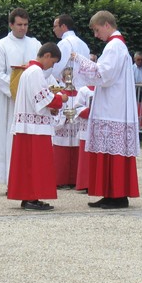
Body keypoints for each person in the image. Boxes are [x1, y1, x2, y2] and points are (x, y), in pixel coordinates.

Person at [71, 10, 140, 209]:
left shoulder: (114, 45)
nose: (95, 34)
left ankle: (118, 195)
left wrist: (81, 61)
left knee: (112, 151)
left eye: (96, 29)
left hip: (114, 107)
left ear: (107, 25)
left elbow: (105, 74)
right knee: (108, 150)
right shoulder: (117, 45)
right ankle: (110, 193)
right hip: (112, 104)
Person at [8, 43, 68, 210]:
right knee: (34, 164)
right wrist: (60, 99)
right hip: (34, 128)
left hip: (29, 125)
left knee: (27, 163)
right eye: (53, 62)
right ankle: (31, 198)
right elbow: (42, 98)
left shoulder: (29, 72)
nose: (52, 66)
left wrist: (52, 108)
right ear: (47, 55)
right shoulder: (35, 72)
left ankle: (28, 196)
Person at [0, 7, 41, 186]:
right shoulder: (2, 45)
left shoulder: (35, 44)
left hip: (31, 100)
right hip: (10, 100)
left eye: (25, 24)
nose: (23, 28)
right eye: (19, 24)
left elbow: (43, 69)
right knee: (9, 137)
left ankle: (28, 177)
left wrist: (33, 90)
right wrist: (16, 89)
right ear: (11, 25)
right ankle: (10, 178)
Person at [50, 14, 90, 189]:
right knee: (76, 137)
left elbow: (56, 68)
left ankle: (61, 177)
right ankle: (76, 177)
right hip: (81, 93)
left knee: (62, 136)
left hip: (67, 92)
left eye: (55, 26)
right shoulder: (84, 44)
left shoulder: (64, 44)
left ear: (63, 26)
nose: (54, 29)